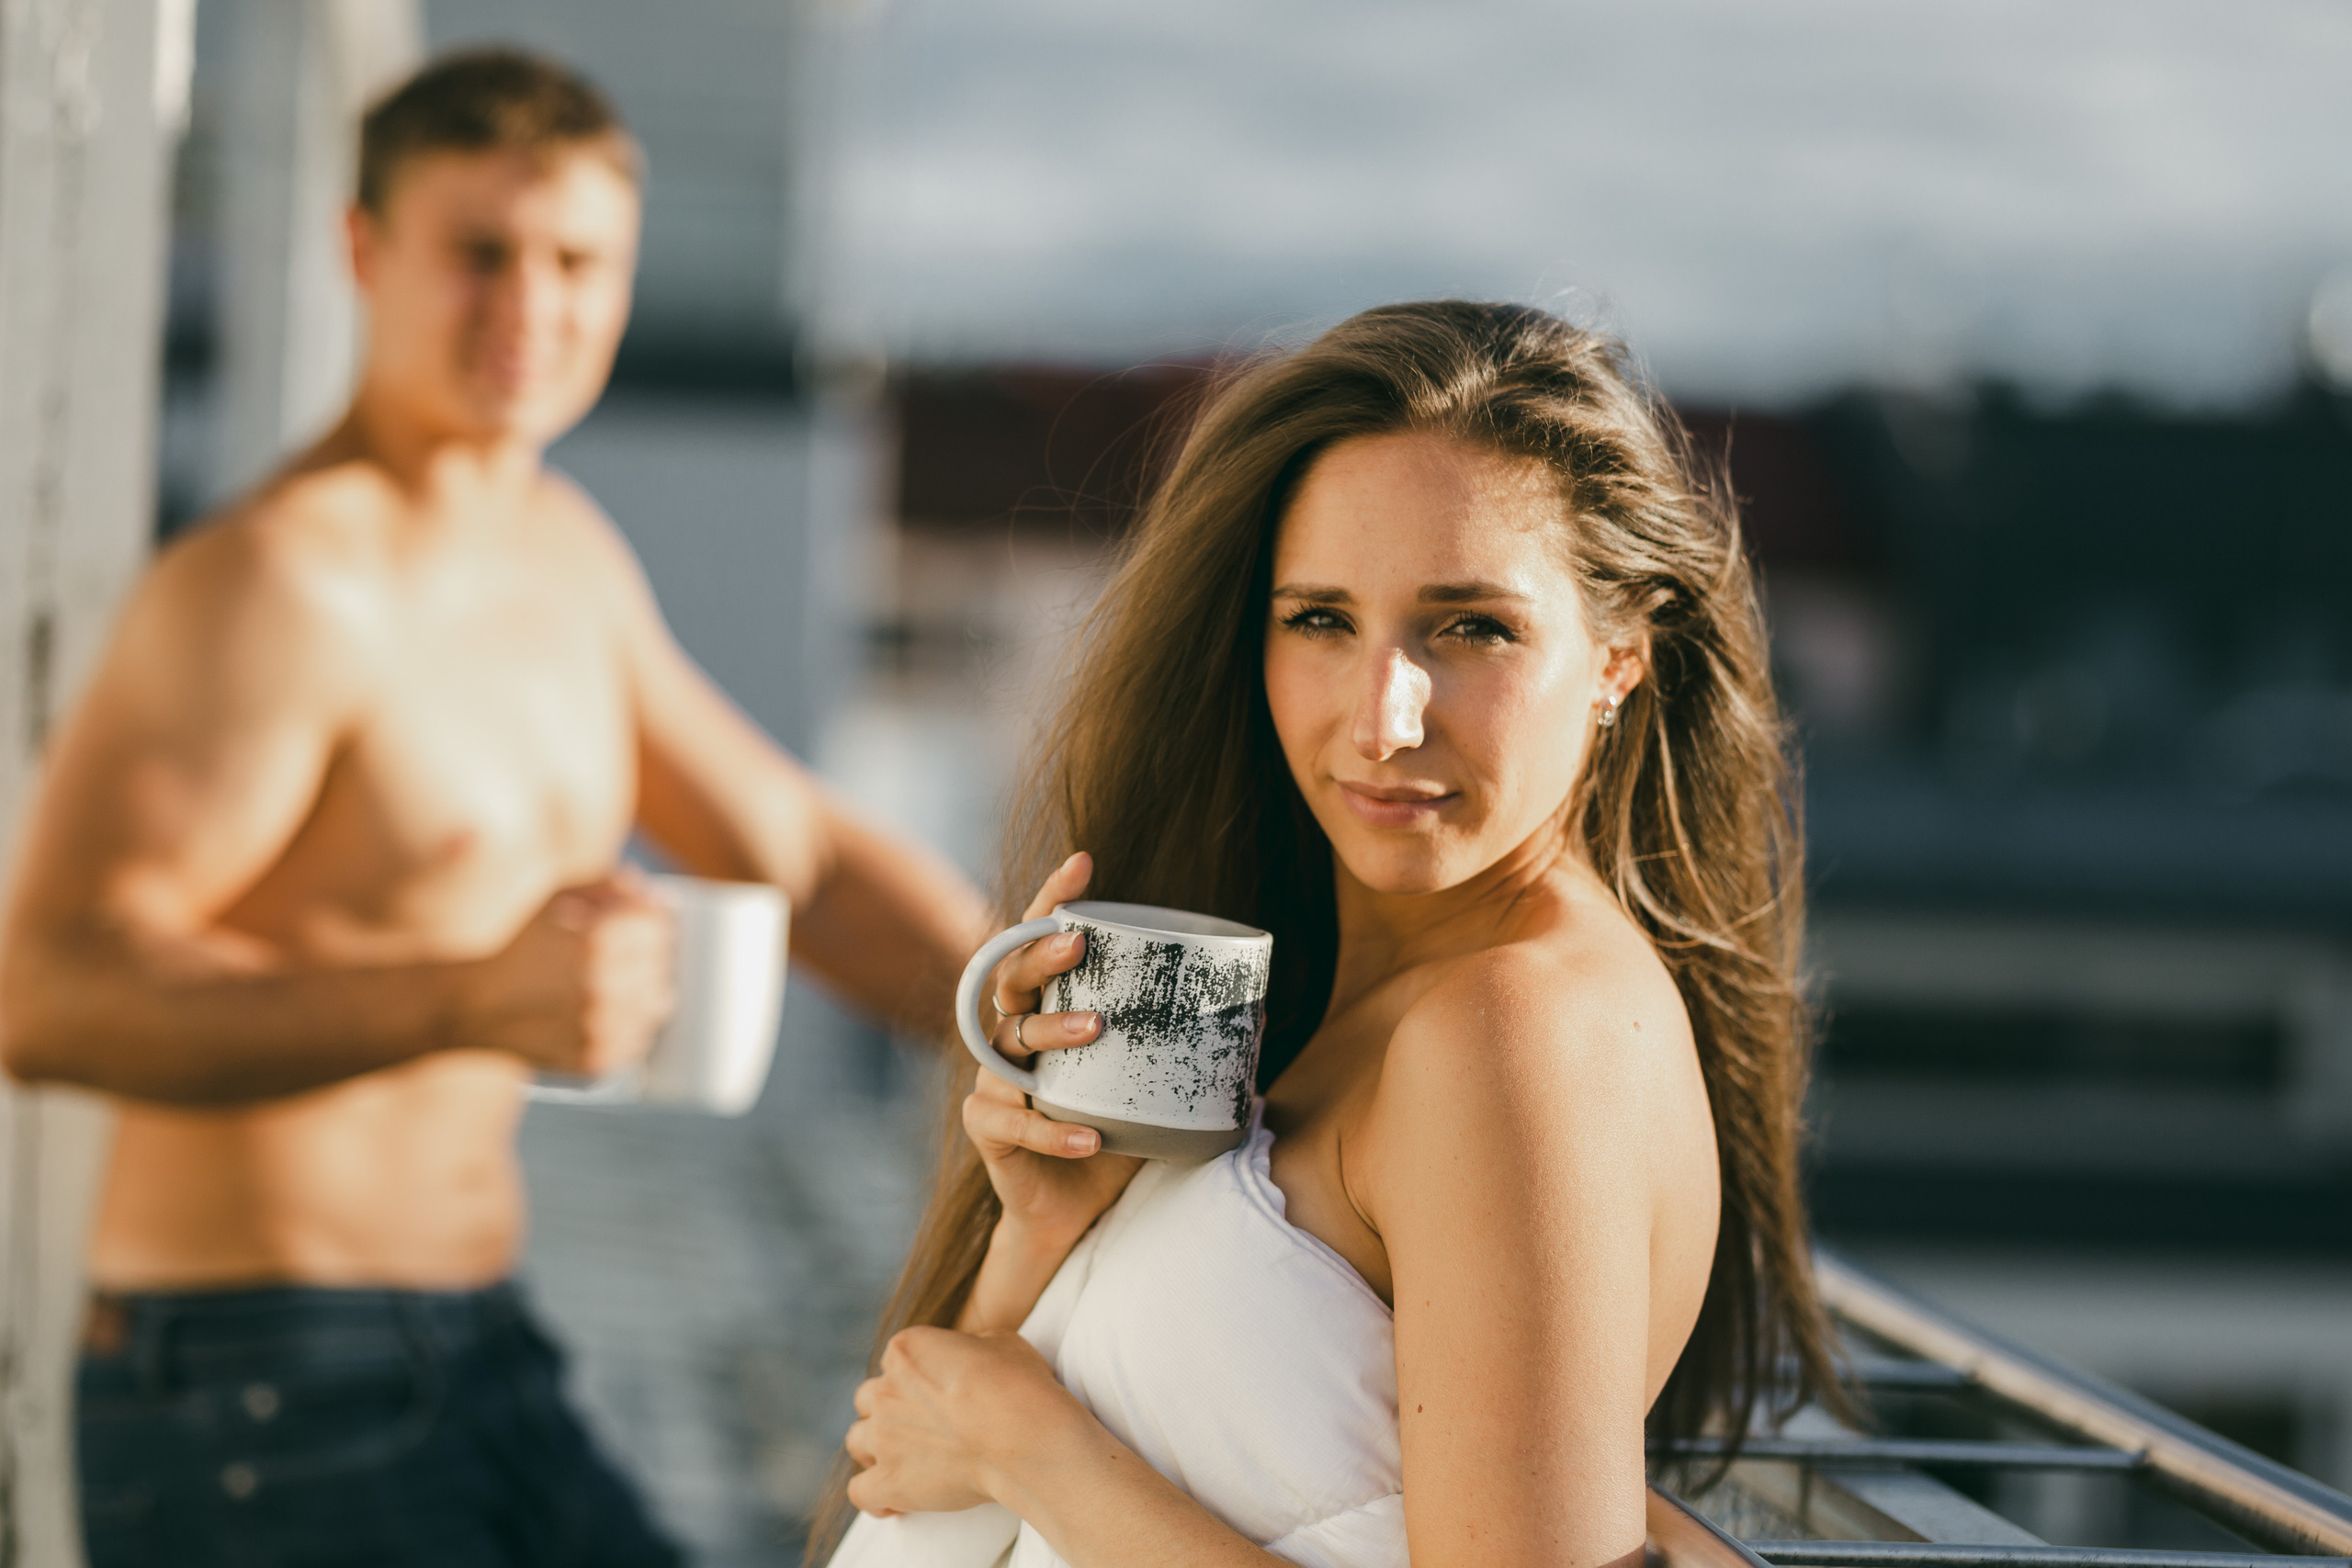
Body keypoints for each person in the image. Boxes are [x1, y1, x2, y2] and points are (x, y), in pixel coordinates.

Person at [0, 50, 990, 1568]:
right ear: (361, 253)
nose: (530, 306)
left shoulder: (561, 556)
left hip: (474, 1345)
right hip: (261, 1393)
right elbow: (52, 992)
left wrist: (1042, 1018)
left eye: (575, 261)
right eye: (479, 254)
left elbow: (803, 863)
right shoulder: (282, 582)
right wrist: (472, 994)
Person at [819, 300, 1849, 1567]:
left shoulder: (1516, 1029)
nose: (1382, 718)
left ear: (1619, 656)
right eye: (1320, 620)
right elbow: (961, 1440)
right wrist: (1046, 1230)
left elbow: (1022, 1448)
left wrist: (1037, 1452)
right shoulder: (1332, 994)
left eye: (1472, 627)